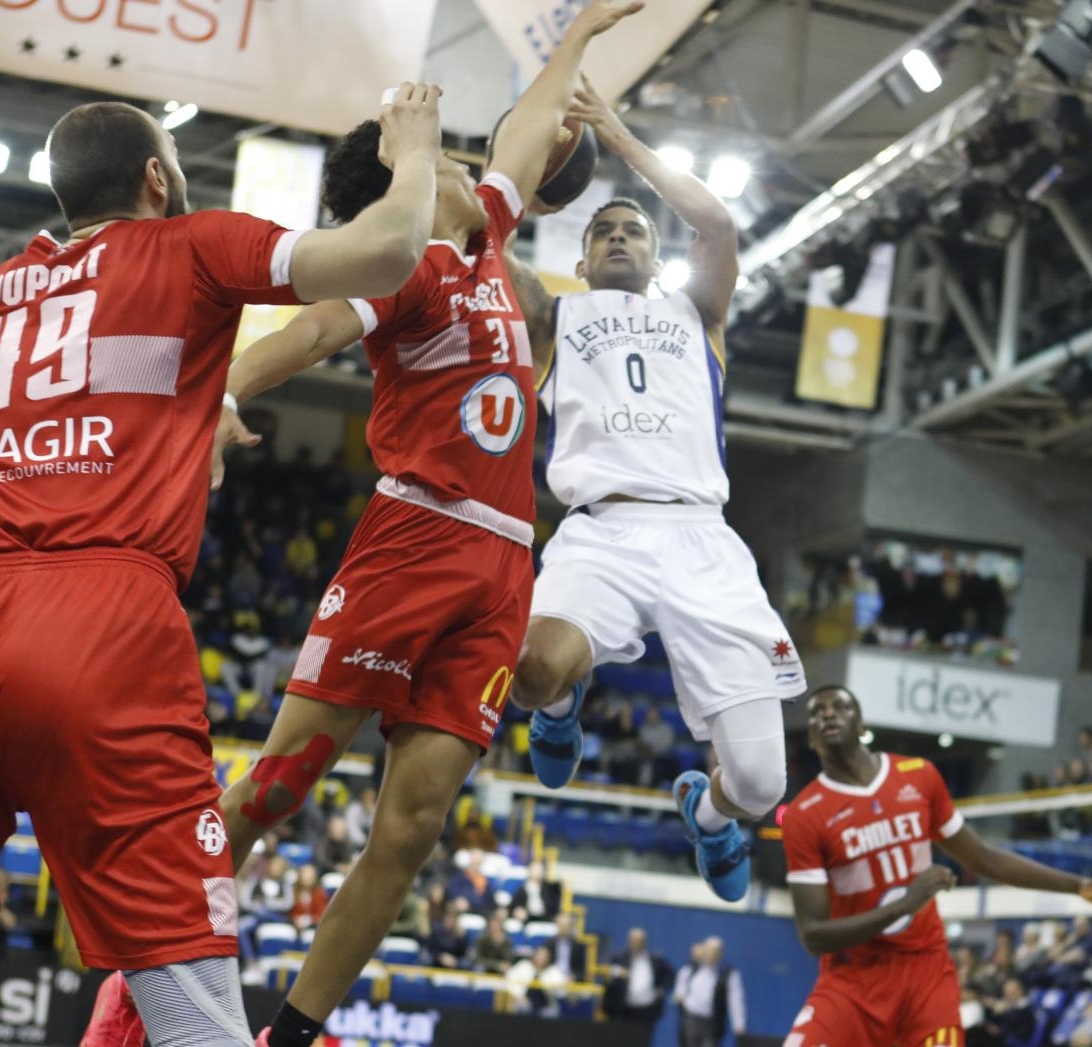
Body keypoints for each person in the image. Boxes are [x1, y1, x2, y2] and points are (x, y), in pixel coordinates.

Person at [74, 7, 644, 1047]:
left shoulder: (491, 236)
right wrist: (228, 394)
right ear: (406, 189)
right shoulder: (409, 266)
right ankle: (131, 988)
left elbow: (528, 125)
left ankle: (288, 1032)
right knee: (284, 783)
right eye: (448, 161)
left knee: (414, 826)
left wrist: (584, 32)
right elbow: (312, 329)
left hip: (504, 562)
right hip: (414, 544)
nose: (475, 165)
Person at [0, 86, 446, 1047]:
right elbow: (385, 252)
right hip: (102, 618)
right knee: (194, 1006)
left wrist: (194, 408)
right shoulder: (193, 245)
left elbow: (47, 411)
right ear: (157, 176)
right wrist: (414, 151)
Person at [502, 77, 806, 904]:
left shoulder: (696, 311)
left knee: (760, 782)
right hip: (600, 533)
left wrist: (621, 138)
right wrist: (528, 169)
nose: (621, 235)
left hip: (703, 539)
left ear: (654, 254)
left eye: (634, 228)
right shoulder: (552, 319)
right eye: (603, 230)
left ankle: (709, 817)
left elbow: (717, 224)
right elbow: (484, 245)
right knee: (528, 670)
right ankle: (560, 705)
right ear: (580, 259)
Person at [782, 686, 1092, 1047]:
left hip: (925, 974)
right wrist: (906, 903)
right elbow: (814, 934)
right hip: (853, 980)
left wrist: (1077, 885)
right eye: (817, 713)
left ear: (862, 722)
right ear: (810, 737)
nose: (828, 715)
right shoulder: (805, 816)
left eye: (840, 706)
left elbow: (984, 857)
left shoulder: (918, 776)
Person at [675, 937, 746, 1047]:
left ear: (721, 954)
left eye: (716, 952)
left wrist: (738, 1024)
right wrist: (681, 997)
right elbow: (681, 984)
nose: (712, 955)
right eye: (709, 950)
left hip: (713, 1023)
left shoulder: (728, 974)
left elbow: (735, 1000)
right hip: (691, 1019)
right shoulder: (692, 968)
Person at [605, 928, 674, 1023]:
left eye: (639, 941)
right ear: (628, 941)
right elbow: (608, 978)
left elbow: (670, 975)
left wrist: (661, 990)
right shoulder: (619, 958)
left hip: (647, 1009)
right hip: (623, 1009)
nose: (636, 944)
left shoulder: (655, 959)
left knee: (643, 1036)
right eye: (633, 941)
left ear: (644, 942)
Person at [469, 910, 517, 975]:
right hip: (484, 969)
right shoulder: (481, 938)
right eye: (493, 924)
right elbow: (475, 959)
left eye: (498, 924)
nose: (495, 927)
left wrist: (499, 945)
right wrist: (496, 965)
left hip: (500, 972)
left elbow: (508, 960)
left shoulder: (506, 941)